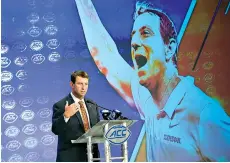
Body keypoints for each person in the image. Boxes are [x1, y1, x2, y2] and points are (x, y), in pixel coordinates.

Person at [75, 0, 230, 161]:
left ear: (169, 48)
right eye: (133, 36)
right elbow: (105, 57)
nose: (134, 43)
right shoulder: (147, 99)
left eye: (146, 33)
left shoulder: (204, 115)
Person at [52, 70, 100, 162]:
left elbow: (97, 130)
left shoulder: (92, 104)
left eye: (86, 84)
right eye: (80, 84)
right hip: (71, 157)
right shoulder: (61, 105)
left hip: (93, 157)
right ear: (72, 84)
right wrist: (66, 115)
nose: (83, 88)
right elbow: (55, 129)